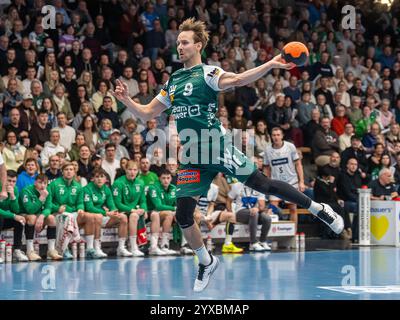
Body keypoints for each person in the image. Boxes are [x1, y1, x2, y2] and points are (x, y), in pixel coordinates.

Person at [112, 18, 343, 292]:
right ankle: (206, 261)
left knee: (263, 185)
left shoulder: (209, 73)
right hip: (192, 155)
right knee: (184, 216)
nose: (180, 47)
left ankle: (320, 209)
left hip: (216, 147)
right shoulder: (173, 80)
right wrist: (126, 100)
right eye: (178, 43)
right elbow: (148, 112)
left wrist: (270, 64)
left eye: (185, 42)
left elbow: (238, 79)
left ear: (198, 45)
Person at [44, 162, 96, 259]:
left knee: (89, 217)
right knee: (66, 217)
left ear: (74, 172)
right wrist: (57, 208)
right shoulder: (54, 184)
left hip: (73, 212)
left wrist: (80, 208)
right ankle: (64, 249)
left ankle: (89, 248)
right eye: (66, 169)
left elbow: (80, 202)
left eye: (71, 170)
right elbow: (48, 202)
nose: (69, 172)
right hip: (57, 213)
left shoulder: (78, 186)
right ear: (62, 172)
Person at [82, 168, 131, 258]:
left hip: (104, 216)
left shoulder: (107, 189)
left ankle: (121, 247)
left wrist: (114, 212)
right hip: (91, 219)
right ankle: (97, 247)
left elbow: (112, 205)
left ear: (106, 180)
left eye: (102, 177)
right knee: (98, 216)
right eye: (97, 177)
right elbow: (89, 208)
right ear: (92, 179)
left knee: (123, 217)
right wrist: (107, 213)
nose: (100, 179)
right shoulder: (87, 189)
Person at [264, 127, 305, 229]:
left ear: (282, 136)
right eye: (274, 135)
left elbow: (298, 164)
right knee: (272, 209)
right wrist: (266, 183)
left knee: (293, 208)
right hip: (275, 183)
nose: (276, 137)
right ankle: (273, 233)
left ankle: (293, 234)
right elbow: (266, 168)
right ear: (271, 137)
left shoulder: (290, 146)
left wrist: (301, 182)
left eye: (278, 135)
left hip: (291, 182)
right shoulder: (267, 150)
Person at [20, 174, 63, 261]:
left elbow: (48, 208)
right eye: (40, 183)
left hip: (38, 214)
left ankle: (51, 250)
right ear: (35, 182)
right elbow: (30, 210)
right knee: (32, 217)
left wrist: (42, 216)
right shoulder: (26, 190)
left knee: (51, 218)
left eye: (45, 183)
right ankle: (30, 251)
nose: (43, 185)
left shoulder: (47, 191)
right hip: (23, 214)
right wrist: (42, 197)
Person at [112, 160, 147, 257]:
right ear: (125, 170)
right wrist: (132, 210)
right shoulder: (118, 183)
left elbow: (143, 200)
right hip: (121, 211)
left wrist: (144, 209)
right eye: (130, 169)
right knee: (134, 215)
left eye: (135, 170)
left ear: (138, 171)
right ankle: (128, 246)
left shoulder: (140, 183)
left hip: (134, 211)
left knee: (135, 215)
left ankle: (133, 247)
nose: (132, 172)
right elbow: (117, 203)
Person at [227, 179, 272, 251]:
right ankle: (253, 243)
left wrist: (257, 208)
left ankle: (262, 241)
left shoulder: (259, 187)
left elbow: (262, 205)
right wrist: (231, 214)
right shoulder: (237, 186)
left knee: (267, 218)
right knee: (254, 214)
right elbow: (228, 201)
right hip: (240, 212)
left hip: (255, 212)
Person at [146, 169, 177, 255]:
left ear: (171, 178)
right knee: (168, 213)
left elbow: (177, 204)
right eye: (163, 178)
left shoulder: (173, 188)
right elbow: (158, 206)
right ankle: (154, 247)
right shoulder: (153, 187)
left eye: (168, 178)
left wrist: (176, 209)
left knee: (179, 214)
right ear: (159, 178)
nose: (166, 180)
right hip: (149, 213)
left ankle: (166, 246)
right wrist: (174, 208)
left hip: (163, 214)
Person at [0, 170, 28, 262]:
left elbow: (16, 210)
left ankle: (17, 250)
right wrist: (13, 215)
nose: (11, 183)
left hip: (4, 219)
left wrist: (12, 196)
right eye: (9, 180)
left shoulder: (15, 189)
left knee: (19, 220)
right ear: (3, 179)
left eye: (13, 181)